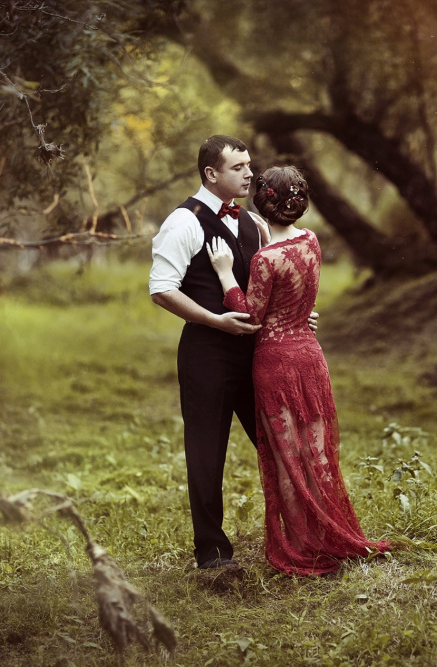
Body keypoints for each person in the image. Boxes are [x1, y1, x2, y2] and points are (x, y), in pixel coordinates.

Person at [206, 166, 390, 576]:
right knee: (318, 454)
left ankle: (303, 545)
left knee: (288, 458)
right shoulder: (310, 240)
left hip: (275, 362)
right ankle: (331, 533)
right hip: (310, 355)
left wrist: (223, 273)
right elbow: (298, 300)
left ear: (262, 203)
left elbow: (251, 317)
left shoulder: (265, 259)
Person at [148, 135, 267, 570]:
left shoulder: (254, 223)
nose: (249, 174)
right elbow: (161, 289)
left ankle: (296, 535)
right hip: (207, 353)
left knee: (276, 442)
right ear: (210, 173)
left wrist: (295, 317)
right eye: (238, 167)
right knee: (206, 451)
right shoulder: (183, 221)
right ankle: (213, 553)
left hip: (258, 352)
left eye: (249, 165)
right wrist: (215, 321)